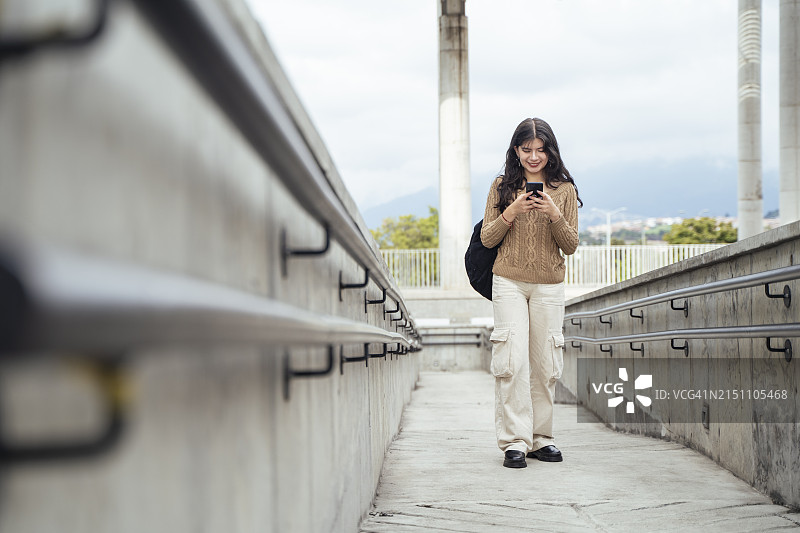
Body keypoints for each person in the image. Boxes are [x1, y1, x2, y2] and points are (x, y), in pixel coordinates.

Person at [480, 117, 582, 469]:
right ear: (515, 150)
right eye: (527, 150)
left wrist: (554, 213)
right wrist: (511, 211)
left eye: (541, 150)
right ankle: (514, 442)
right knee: (512, 361)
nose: (534, 157)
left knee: (545, 365)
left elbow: (569, 246)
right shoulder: (501, 187)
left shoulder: (564, 190)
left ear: (550, 151)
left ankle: (542, 439)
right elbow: (487, 239)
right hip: (508, 280)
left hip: (549, 285)